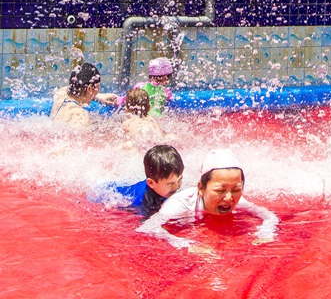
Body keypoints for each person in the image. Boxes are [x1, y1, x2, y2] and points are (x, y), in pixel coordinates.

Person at [138, 148, 278, 250]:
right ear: (201, 188)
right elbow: (148, 227)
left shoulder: (238, 200)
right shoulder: (180, 203)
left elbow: (269, 215)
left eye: (235, 189)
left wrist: (265, 231)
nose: (229, 198)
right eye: (220, 190)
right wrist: (186, 245)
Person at [110, 145, 185, 219]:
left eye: (179, 180)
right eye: (170, 184)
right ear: (151, 183)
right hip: (114, 191)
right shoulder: (145, 201)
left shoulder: (166, 188)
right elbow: (147, 225)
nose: (177, 187)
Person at [49, 62, 117, 129]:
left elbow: (67, 88)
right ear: (89, 88)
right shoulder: (81, 116)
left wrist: (99, 97)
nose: (97, 91)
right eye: (98, 87)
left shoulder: (60, 95)